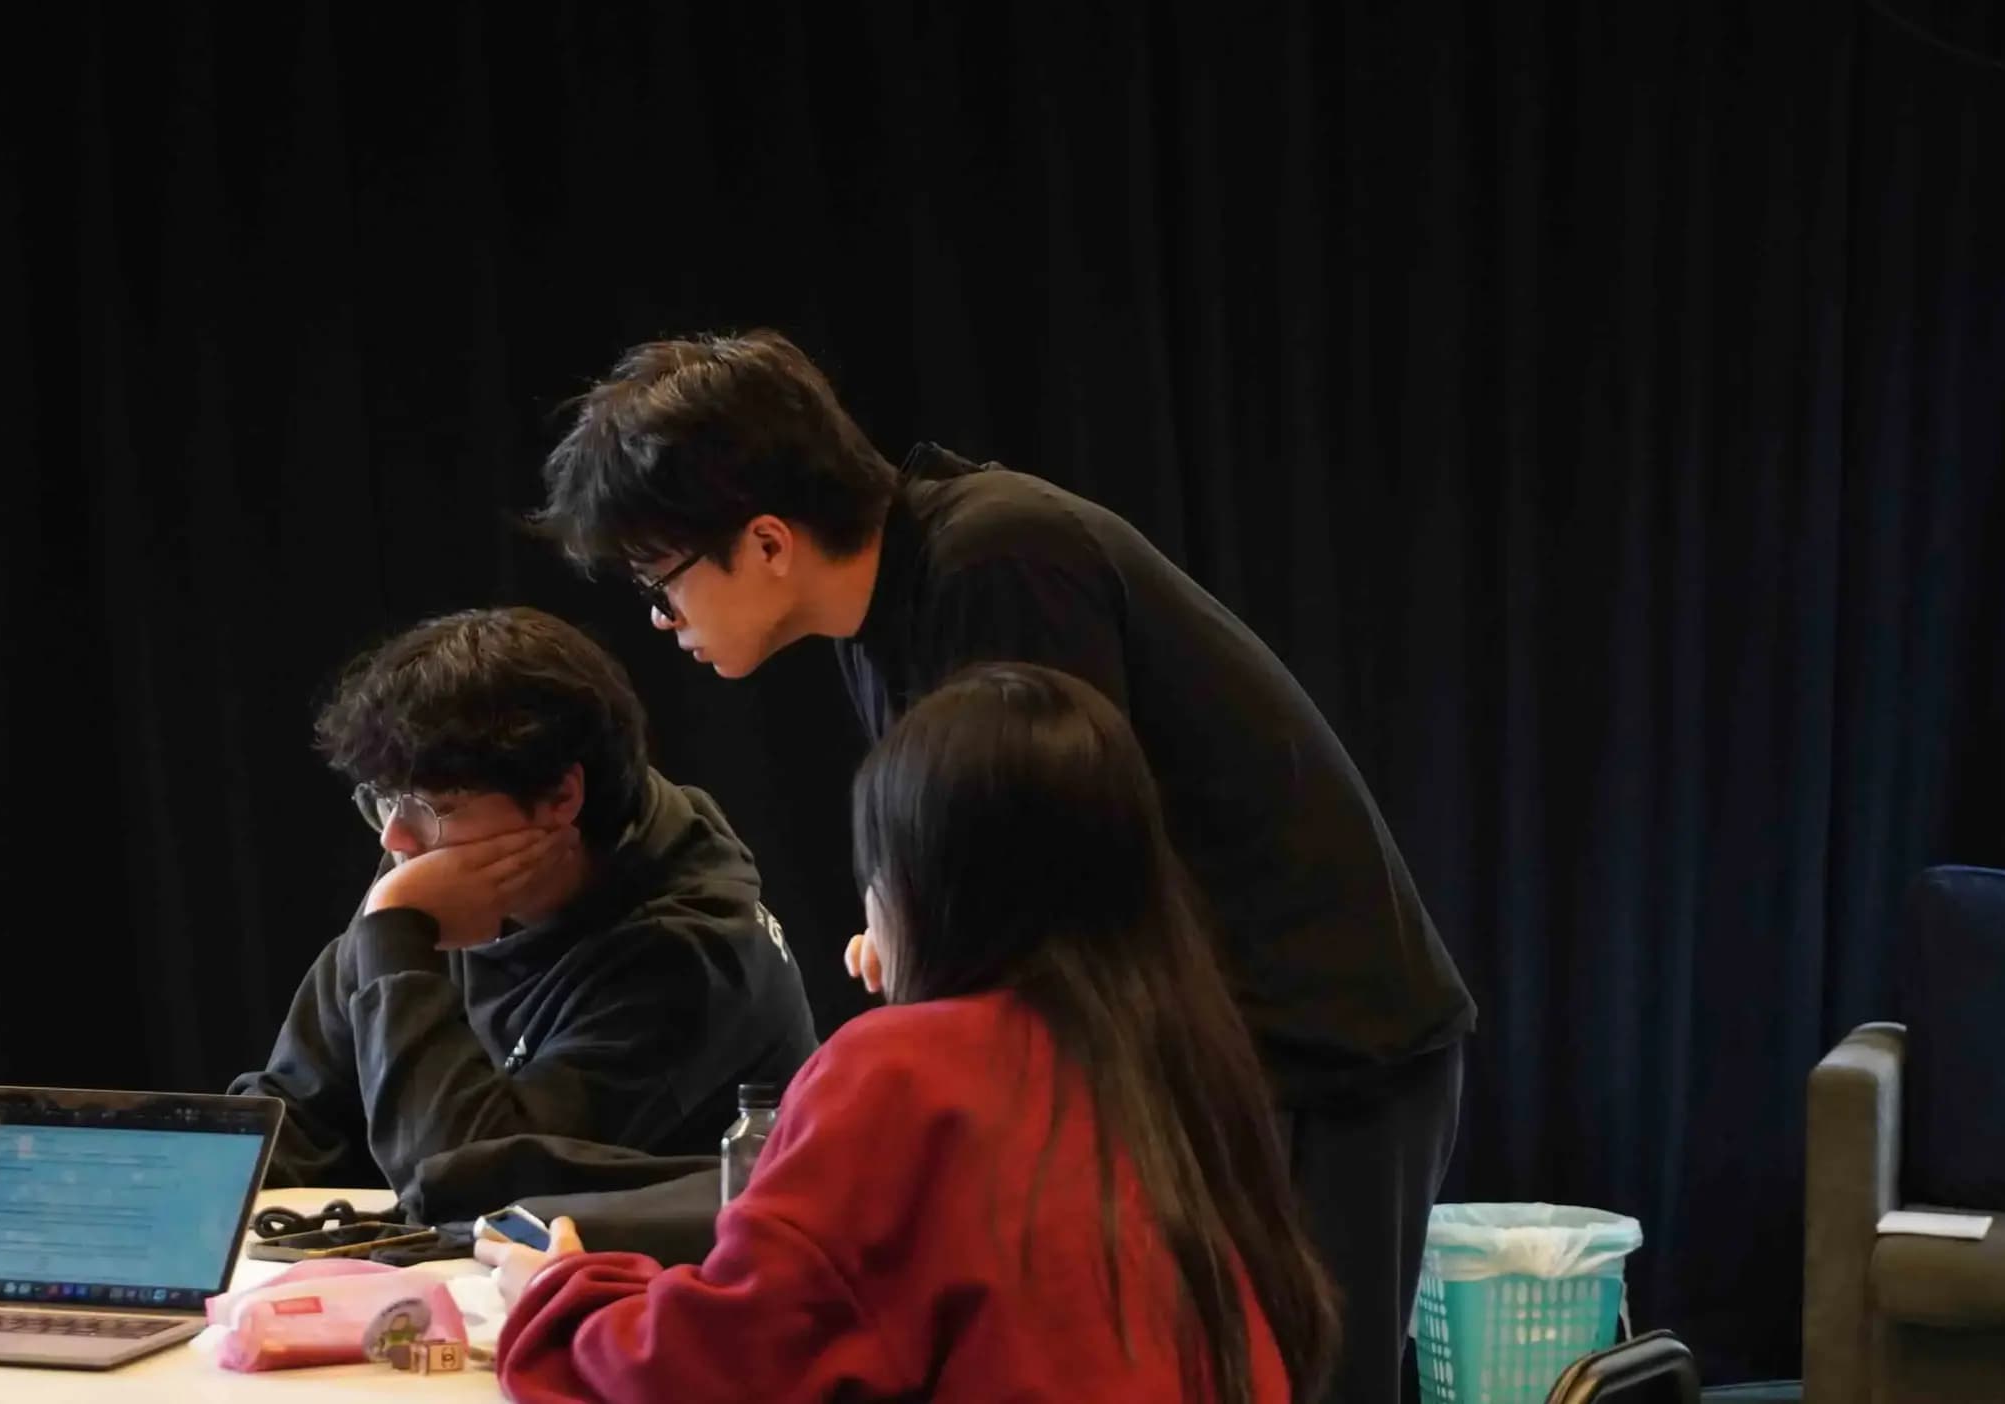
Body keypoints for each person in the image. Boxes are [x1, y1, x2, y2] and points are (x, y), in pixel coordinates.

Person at [535, 329, 1475, 1402]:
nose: (663, 619)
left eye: (662, 579)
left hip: (1315, 1041)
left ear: (765, 542)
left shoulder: (997, 562)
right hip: (1199, 1045)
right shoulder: (894, 611)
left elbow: (1058, 872)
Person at [478, 664, 1338, 1403]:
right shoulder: (1184, 1058)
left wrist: (558, 1294)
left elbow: (719, 1364)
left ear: (924, 886)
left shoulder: (906, 1070)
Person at [228, 606, 818, 1189]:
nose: (394, 838)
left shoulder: (692, 958)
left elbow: (468, 1184)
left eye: (436, 807)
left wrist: (397, 941)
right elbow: (298, 1118)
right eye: (384, 800)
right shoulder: (428, 862)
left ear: (562, 796)